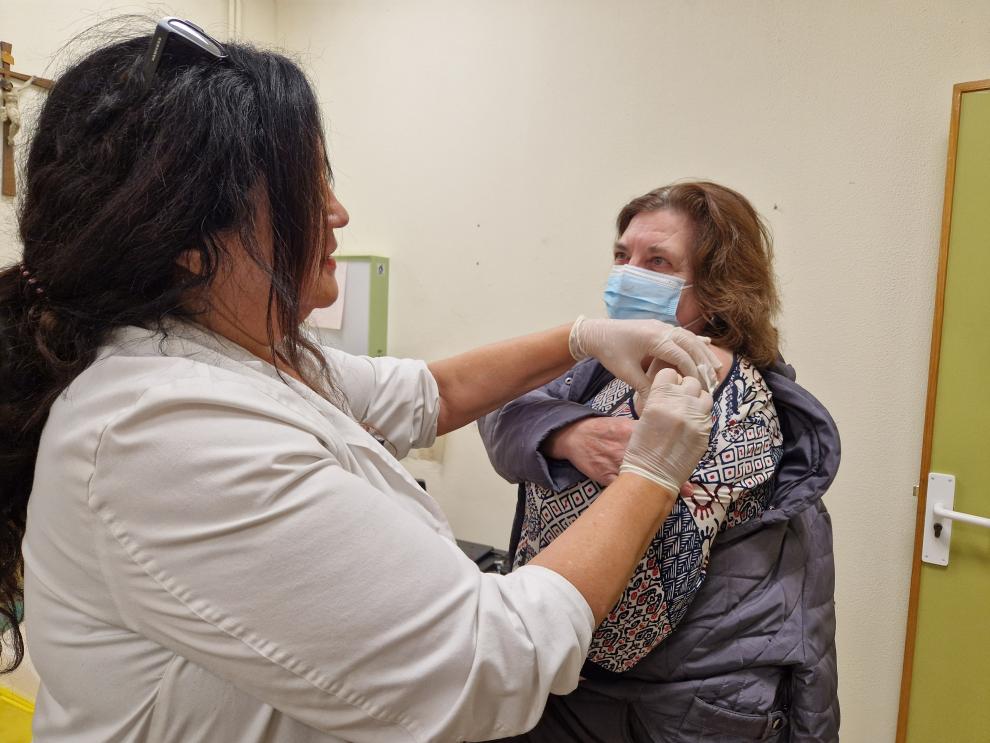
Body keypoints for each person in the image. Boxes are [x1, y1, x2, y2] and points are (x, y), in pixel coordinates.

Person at [0, 22, 721, 743]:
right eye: (306, 186)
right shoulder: (158, 429)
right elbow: (490, 661)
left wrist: (579, 336)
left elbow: (421, 392)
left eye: (658, 261)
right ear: (187, 242)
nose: (337, 212)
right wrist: (651, 472)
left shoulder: (233, 354)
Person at [480, 182, 842, 742]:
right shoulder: (612, 363)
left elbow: (629, 622)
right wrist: (566, 434)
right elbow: (497, 407)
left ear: (718, 286)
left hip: (675, 703)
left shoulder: (725, 401)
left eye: (658, 262)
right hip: (578, 676)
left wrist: (515, 630)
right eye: (622, 256)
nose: (628, 275)